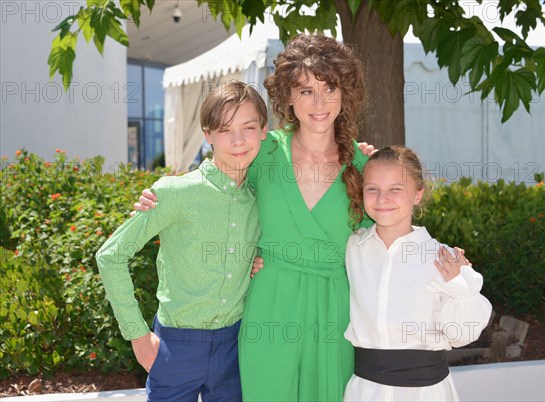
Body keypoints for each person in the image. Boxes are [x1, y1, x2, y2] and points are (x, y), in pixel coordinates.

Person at [134, 34, 375, 401]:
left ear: (346, 94)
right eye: (306, 90)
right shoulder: (263, 152)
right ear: (287, 96)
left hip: (334, 311)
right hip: (269, 306)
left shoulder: (363, 166)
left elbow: (383, 240)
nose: (319, 102)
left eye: (330, 88)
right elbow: (213, 193)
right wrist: (159, 197)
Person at [95, 81, 268, 402]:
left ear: (263, 131)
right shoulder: (176, 193)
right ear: (207, 135)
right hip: (176, 346)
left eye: (249, 127)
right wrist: (138, 337)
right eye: (225, 129)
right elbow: (110, 256)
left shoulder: (262, 198)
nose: (239, 140)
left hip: (235, 347)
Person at [342, 146, 493, 401]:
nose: (382, 199)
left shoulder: (442, 259)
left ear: (418, 194)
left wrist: (460, 286)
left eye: (396, 189)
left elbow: (461, 335)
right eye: (372, 189)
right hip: (366, 391)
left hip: (424, 392)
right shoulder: (352, 247)